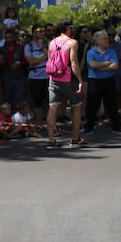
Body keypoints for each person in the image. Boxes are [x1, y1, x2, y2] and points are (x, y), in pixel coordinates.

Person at [45, 20, 86, 148]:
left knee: (53, 108)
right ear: (68, 28)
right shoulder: (72, 42)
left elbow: (50, 59)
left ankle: (51, 140)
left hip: (53, 78)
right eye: (72, 27)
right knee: (77, 106)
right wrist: (80, 80)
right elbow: (74, 62)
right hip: (67, 78)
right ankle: (75, 139)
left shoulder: (52, 42)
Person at [84, 30, 121, 133]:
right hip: (95, 81)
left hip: (109, 80)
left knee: (112, 105)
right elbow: (92, 65)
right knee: (92, 105)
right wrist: (107, 63)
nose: (108, 40)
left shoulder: (111, 51)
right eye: (105, 38)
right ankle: (89, 127)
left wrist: (100, 66)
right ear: (98, 41)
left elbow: (115, 66)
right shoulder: (91, 52)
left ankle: (116, 127)